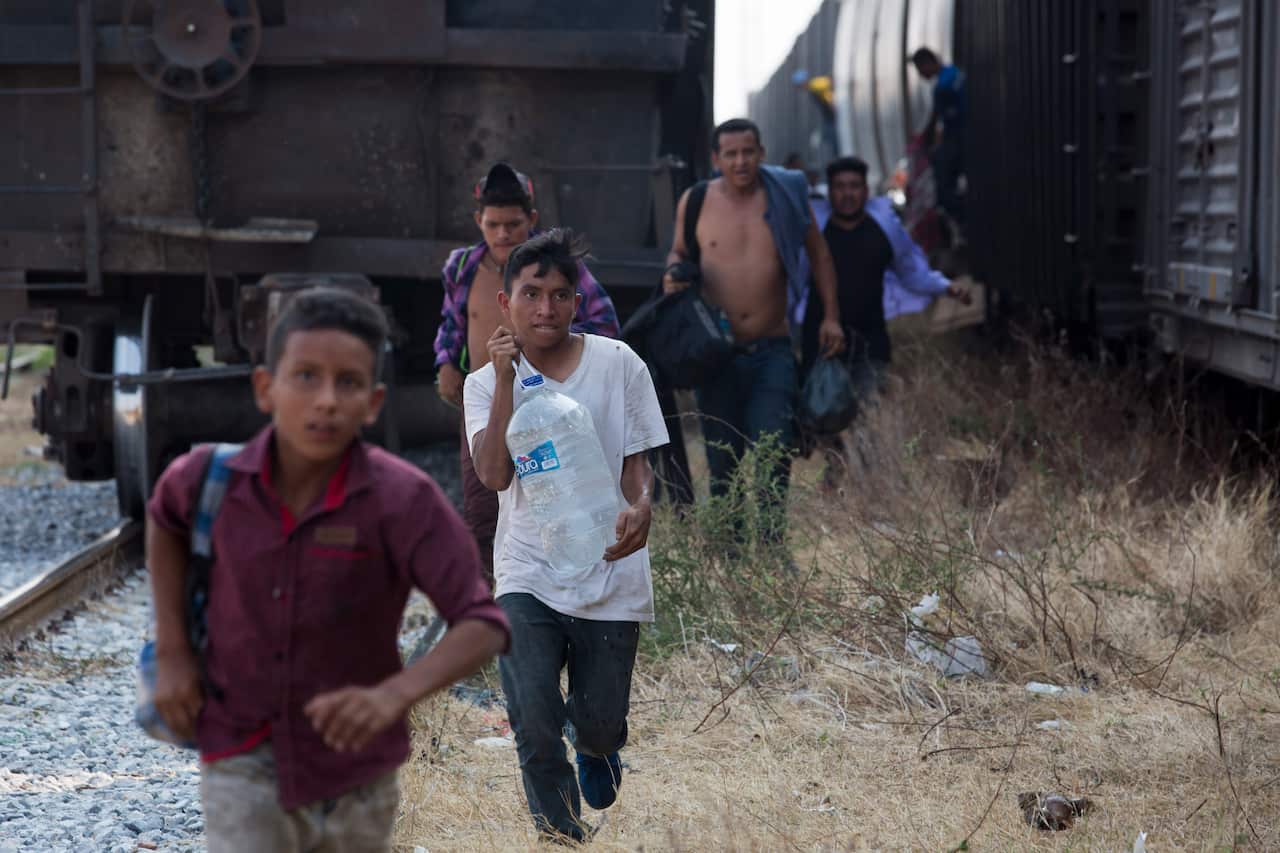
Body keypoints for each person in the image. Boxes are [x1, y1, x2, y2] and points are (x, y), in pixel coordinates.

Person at [146, 287, 511, 853]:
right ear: (266, 388)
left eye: (348, 383)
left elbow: (483, 622)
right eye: (305, 377)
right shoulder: (205, 479)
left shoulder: (401, 499)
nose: (326, 401)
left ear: (374, 401)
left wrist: (394, 696)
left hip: (357, 778)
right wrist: (172, 651)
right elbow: (165, 521)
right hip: (241, 756)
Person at [464, 229, 669, 844]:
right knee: (531, 713)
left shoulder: (617, 363)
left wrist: (642, 505)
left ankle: (599, 748)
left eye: (558, 295)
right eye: (531, 294)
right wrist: (504, 381)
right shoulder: (482, 386)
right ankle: (561, 836)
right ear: (506, 303)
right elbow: (495, 474)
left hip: (608, 563)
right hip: (528, 569)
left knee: (599, 722)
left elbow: (637, 463)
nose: (545, 309)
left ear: (577, 302)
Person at [434, 163, 620, 581]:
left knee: (555, 502)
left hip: (548, 404)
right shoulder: (462, 267)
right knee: (481, 509)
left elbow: (604, 324)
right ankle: (487, 612)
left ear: (532, 220)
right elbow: (451, 322)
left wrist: (548, 350)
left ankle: (561, 587)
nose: (503, 234)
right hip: (486, 404)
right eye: (493, 224)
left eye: (513, 224)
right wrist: (445, 362)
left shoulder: (557, 268)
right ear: (478, 221)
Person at [664, 118, 844, 541]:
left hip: (772, 348)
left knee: (774, 448)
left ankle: (770, 546)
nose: (741, 161)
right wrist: (673, 271)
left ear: (762, 153)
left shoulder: (783, 197)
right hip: (717, 354)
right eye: (731, 154)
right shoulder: (696, 201)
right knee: (722, 457)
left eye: (748, 152)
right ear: (716, 159)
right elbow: (678, 248)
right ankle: (727, 549)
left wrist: (832, 315)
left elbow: (820, 256)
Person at [803, 157, 969, 479]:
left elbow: (912, 272)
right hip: (821, 344)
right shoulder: (814, 232)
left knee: (869, 413)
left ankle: (869, 487)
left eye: (854, 187)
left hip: (870, 342)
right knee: (820, 415)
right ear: (830, 192)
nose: (847, 194)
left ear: (866, 191)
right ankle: (836, 465)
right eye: (840, 187)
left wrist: (946, 287)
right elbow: (788, 277)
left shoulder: (884, 231)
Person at [911, 47, 967, 227]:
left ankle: (963, 219)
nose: (921, 75)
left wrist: (923, 140)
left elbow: (936, 118)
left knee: (943, 188)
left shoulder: (942, 87)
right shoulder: (955, 72)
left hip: (960, 138)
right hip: (966, 135)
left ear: (927, 63)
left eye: (920, 70)